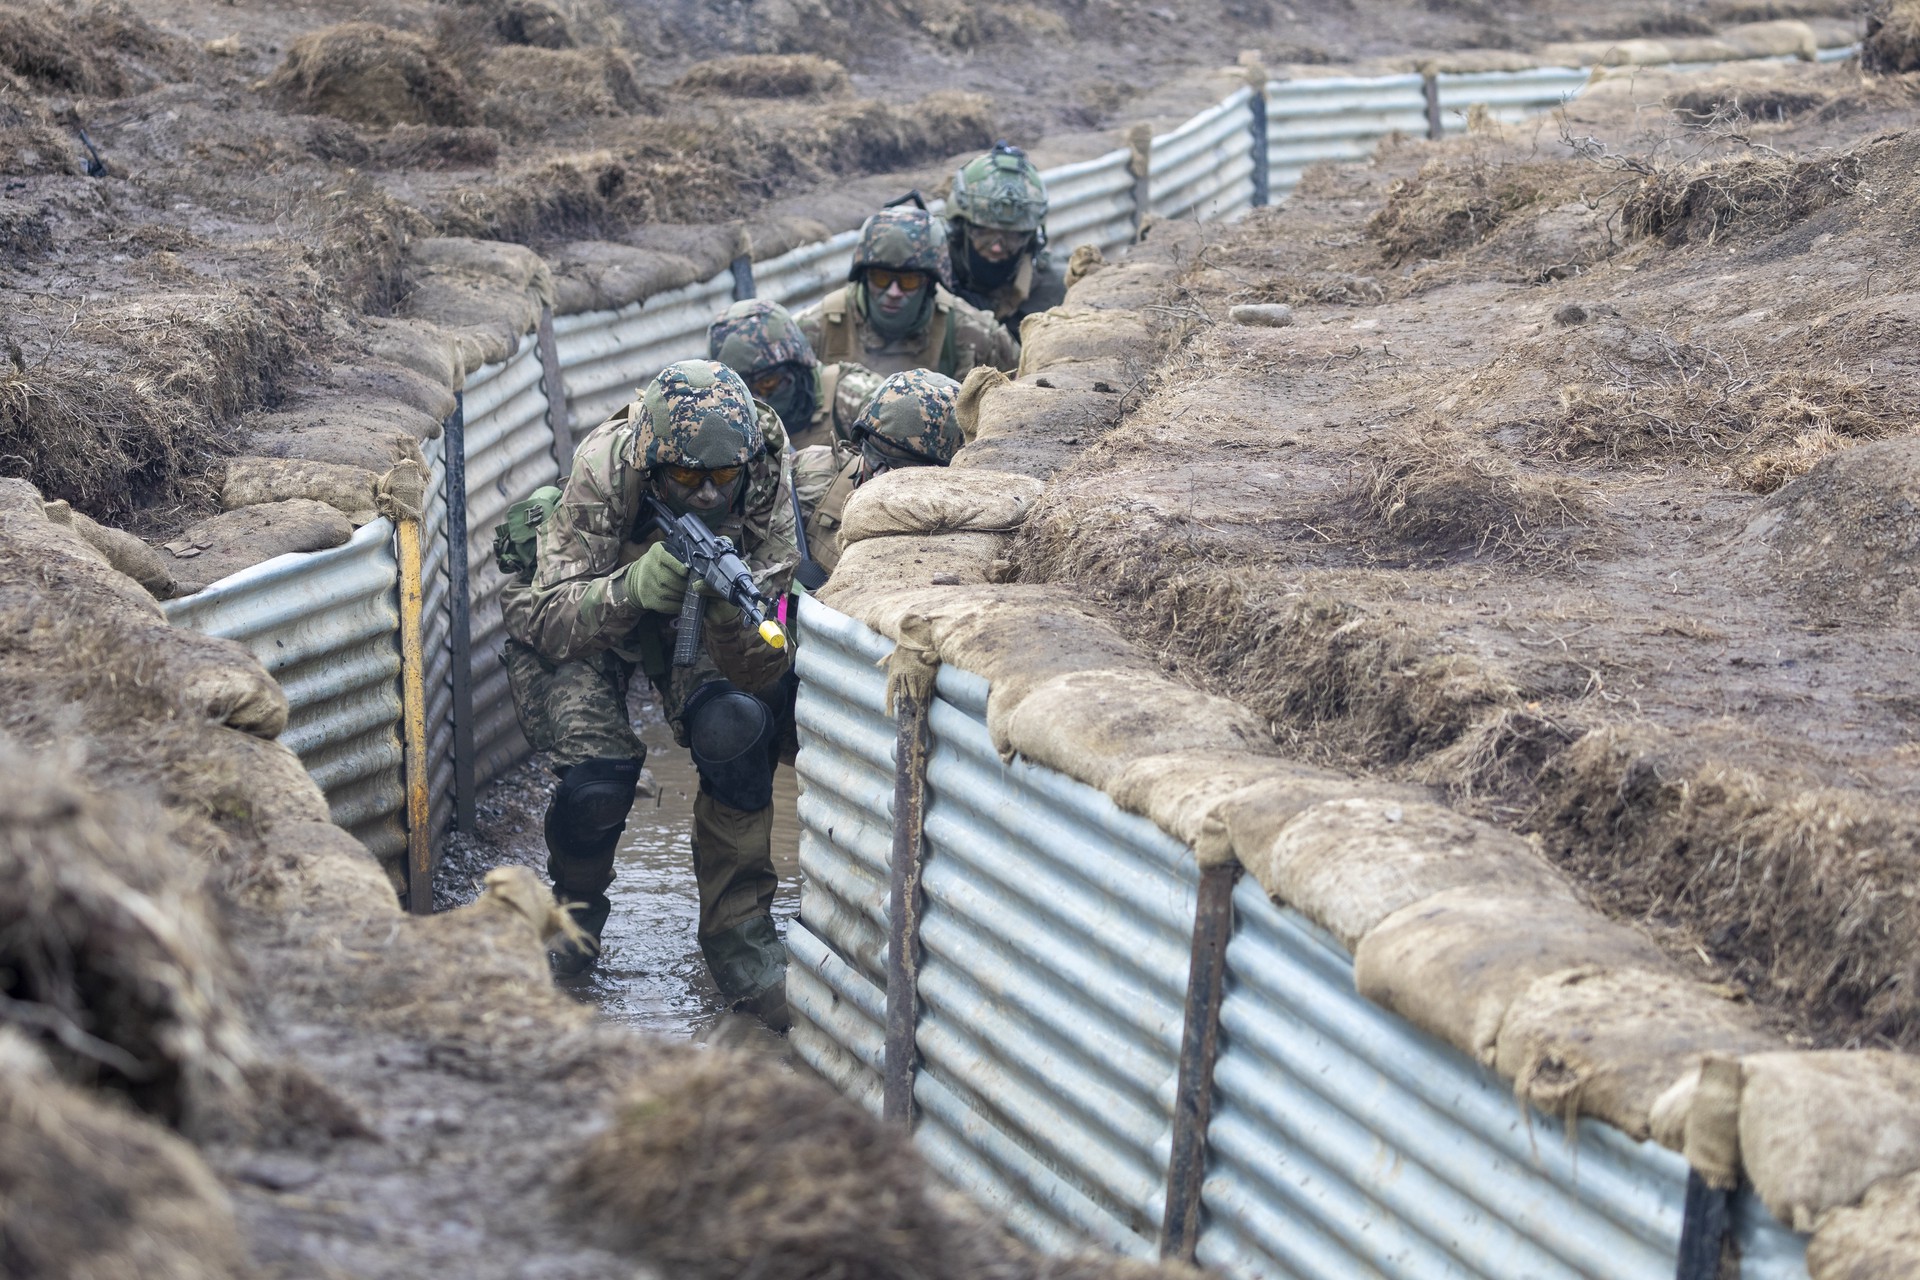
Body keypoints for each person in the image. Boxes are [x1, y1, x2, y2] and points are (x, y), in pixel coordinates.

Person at [495, 359, 798, 1028]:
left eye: (724, 476)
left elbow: (773, 635)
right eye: (687, 478)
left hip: (701, 612)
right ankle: (573, 917)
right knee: (597, 784)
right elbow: (545, 616)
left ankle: (740, 938)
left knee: (736, 728)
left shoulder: (765, 465)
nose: (709, 495)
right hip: (591, 614)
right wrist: (629, 589)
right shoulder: (607, 465)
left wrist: (731, 617)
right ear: (655, 466)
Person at [793, 206, 1018, 381]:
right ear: (863, 276)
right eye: (881, 278)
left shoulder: (976, 335)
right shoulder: (815, 330)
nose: (893, 292)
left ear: (930, 284)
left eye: (909, 281)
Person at [794, 369, 964, 576]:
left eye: (900, 467)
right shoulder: (810, 476)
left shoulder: (956, 539)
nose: (879, 475)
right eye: (874, 454)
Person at [707, 298, 883, 454]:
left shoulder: (852, 396)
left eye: (767, 383)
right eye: (742, 390)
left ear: (797, 366)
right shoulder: (728, 420)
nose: (757, 401)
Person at [946, 142, 1066, 335]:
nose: (996, 247)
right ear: (960, 228)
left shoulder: (1053, 290)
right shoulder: (932, 276)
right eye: (985, 232)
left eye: (1013, 236)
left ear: (1030, 239)